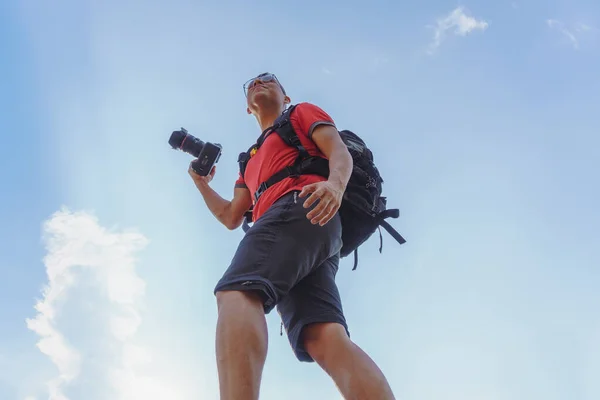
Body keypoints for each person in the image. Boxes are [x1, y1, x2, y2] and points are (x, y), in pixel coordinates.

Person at [188, 72, 396, 400]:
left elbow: (337, 150)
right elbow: (231, 215)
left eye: (268, 79)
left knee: (237, 292)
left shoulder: (300, 113)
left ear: (285, 97)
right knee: (322, 337)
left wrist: (335, 185)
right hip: (313, 237)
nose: (258, 82)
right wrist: (201, 184)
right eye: (252, 83)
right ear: (247, 108)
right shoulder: (248, 161)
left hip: (303, 205)